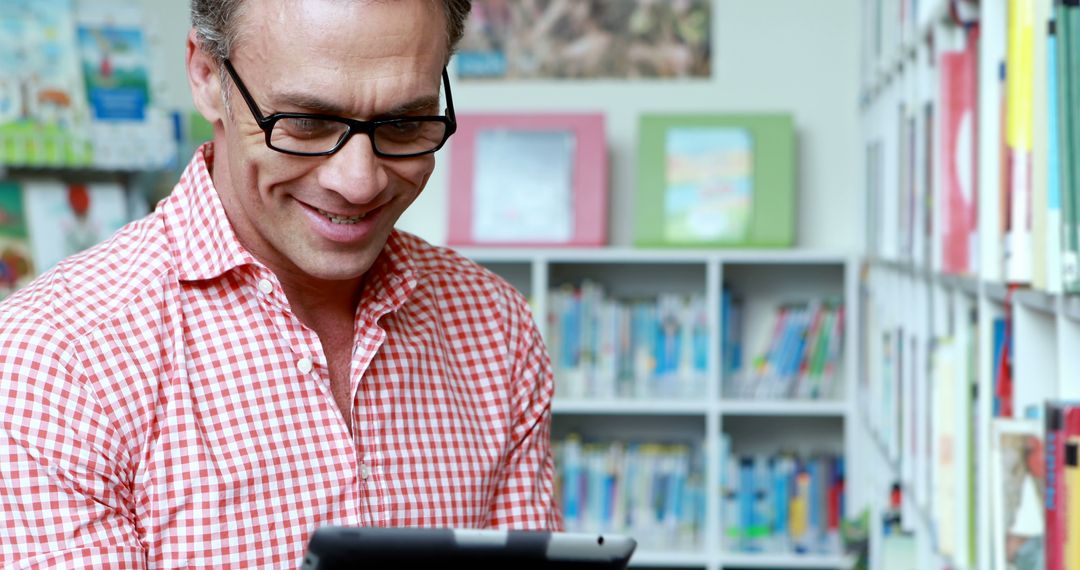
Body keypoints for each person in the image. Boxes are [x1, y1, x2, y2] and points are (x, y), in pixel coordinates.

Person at [0, 0, 561, 567]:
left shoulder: (497, 325)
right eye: (306, 122)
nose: (359, 183)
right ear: (205, 75)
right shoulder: (56, 359)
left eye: (403, 124)